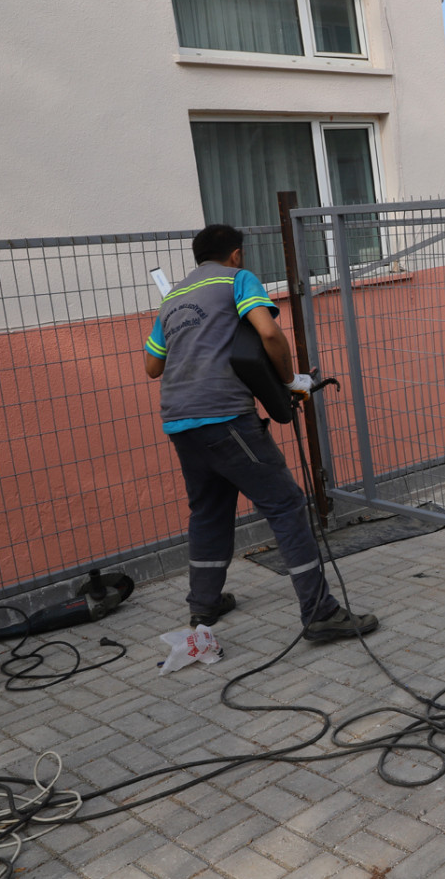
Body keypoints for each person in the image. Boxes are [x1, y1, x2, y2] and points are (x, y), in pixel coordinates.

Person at [145, 224, 378, 642]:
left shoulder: (173, 297)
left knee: (209, 511)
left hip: (179, 422)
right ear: (235, 254)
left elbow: (152, 366)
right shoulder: (237, 279)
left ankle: (204, 606)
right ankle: (321, 613)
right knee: (286, 505)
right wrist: (290, 380)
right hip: (224, 416)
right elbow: (268, 332)